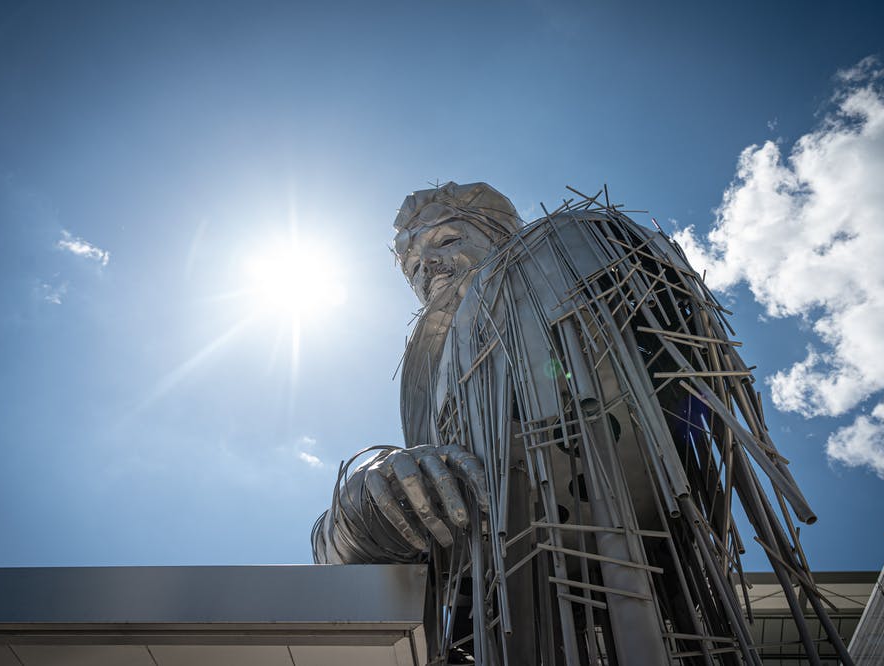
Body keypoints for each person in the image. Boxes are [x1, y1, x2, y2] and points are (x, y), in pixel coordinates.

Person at [313, 182, 852, 666]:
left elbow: (678, 373)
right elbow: (337, 566)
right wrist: (363, 503)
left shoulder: (570, 251)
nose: (425, 268)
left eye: (447, 241)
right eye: (411, 266)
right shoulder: (423, 378)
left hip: (648, 595)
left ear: (502, 236)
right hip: (492, 619)